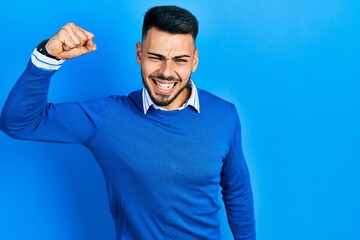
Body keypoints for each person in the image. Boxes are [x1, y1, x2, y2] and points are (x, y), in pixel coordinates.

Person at [0, 5, 255, 240]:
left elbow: (237, 191)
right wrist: (48, 56)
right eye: (155, 57)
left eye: (179, 60)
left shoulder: (224, 116)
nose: (166, 71)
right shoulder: (107, 118)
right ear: (139, 54)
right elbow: (18, 122)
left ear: (194, 61)